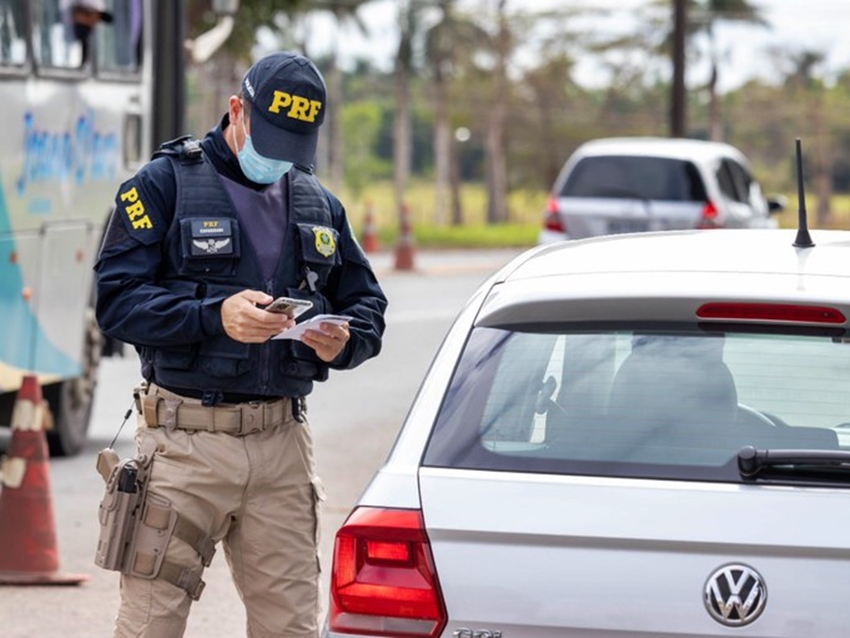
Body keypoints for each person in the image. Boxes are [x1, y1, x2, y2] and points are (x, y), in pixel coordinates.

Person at [94, 51, 388, 638]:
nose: (279, 157)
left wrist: (341, 342)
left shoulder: (318, 203)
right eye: (272, 138)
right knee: (151, 624)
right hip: (183, 445)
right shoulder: (162, 184)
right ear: (237, 111)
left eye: (295, 146)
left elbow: (368, 309)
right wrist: (213, 317)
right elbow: (116, 302)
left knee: (292, 628)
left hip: (282, 445)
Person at [69, 0, 113, 65]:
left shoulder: (95, 13)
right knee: (84, 42)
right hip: (81, 20)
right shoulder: (95, 11)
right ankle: (83, 62)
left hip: (83, 21)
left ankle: (84, 62)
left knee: (85, 42)